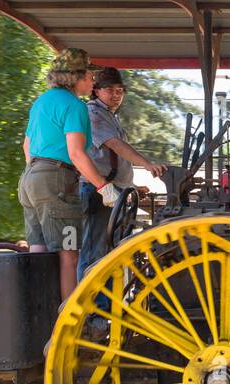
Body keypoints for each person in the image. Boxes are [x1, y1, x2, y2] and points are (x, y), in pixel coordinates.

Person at [18, 47, 119, 300]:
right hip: (57, 181)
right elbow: (76, 153)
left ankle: (43, 322)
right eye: (89, 75)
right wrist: (104, 187)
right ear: (75, 77)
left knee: (39, 252)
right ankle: (71, 327)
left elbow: (27, 146)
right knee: (69, 253)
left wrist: (40, 175)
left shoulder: (41, 102)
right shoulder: (75, 106)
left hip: (30, 179)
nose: (93, 80)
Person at [79, 67, 169, 278]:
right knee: (95, 253)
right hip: (98, 190)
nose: (116, 95)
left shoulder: (109, 115)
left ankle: (108, 306)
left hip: (114, 191)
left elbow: (114, 160)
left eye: (120, 90)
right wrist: (148, 165)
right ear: (96, 91)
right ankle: (92, 309)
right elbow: (115, 145)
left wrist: (131, 187)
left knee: (110, 254)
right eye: (109, 89)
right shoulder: (93, 114)